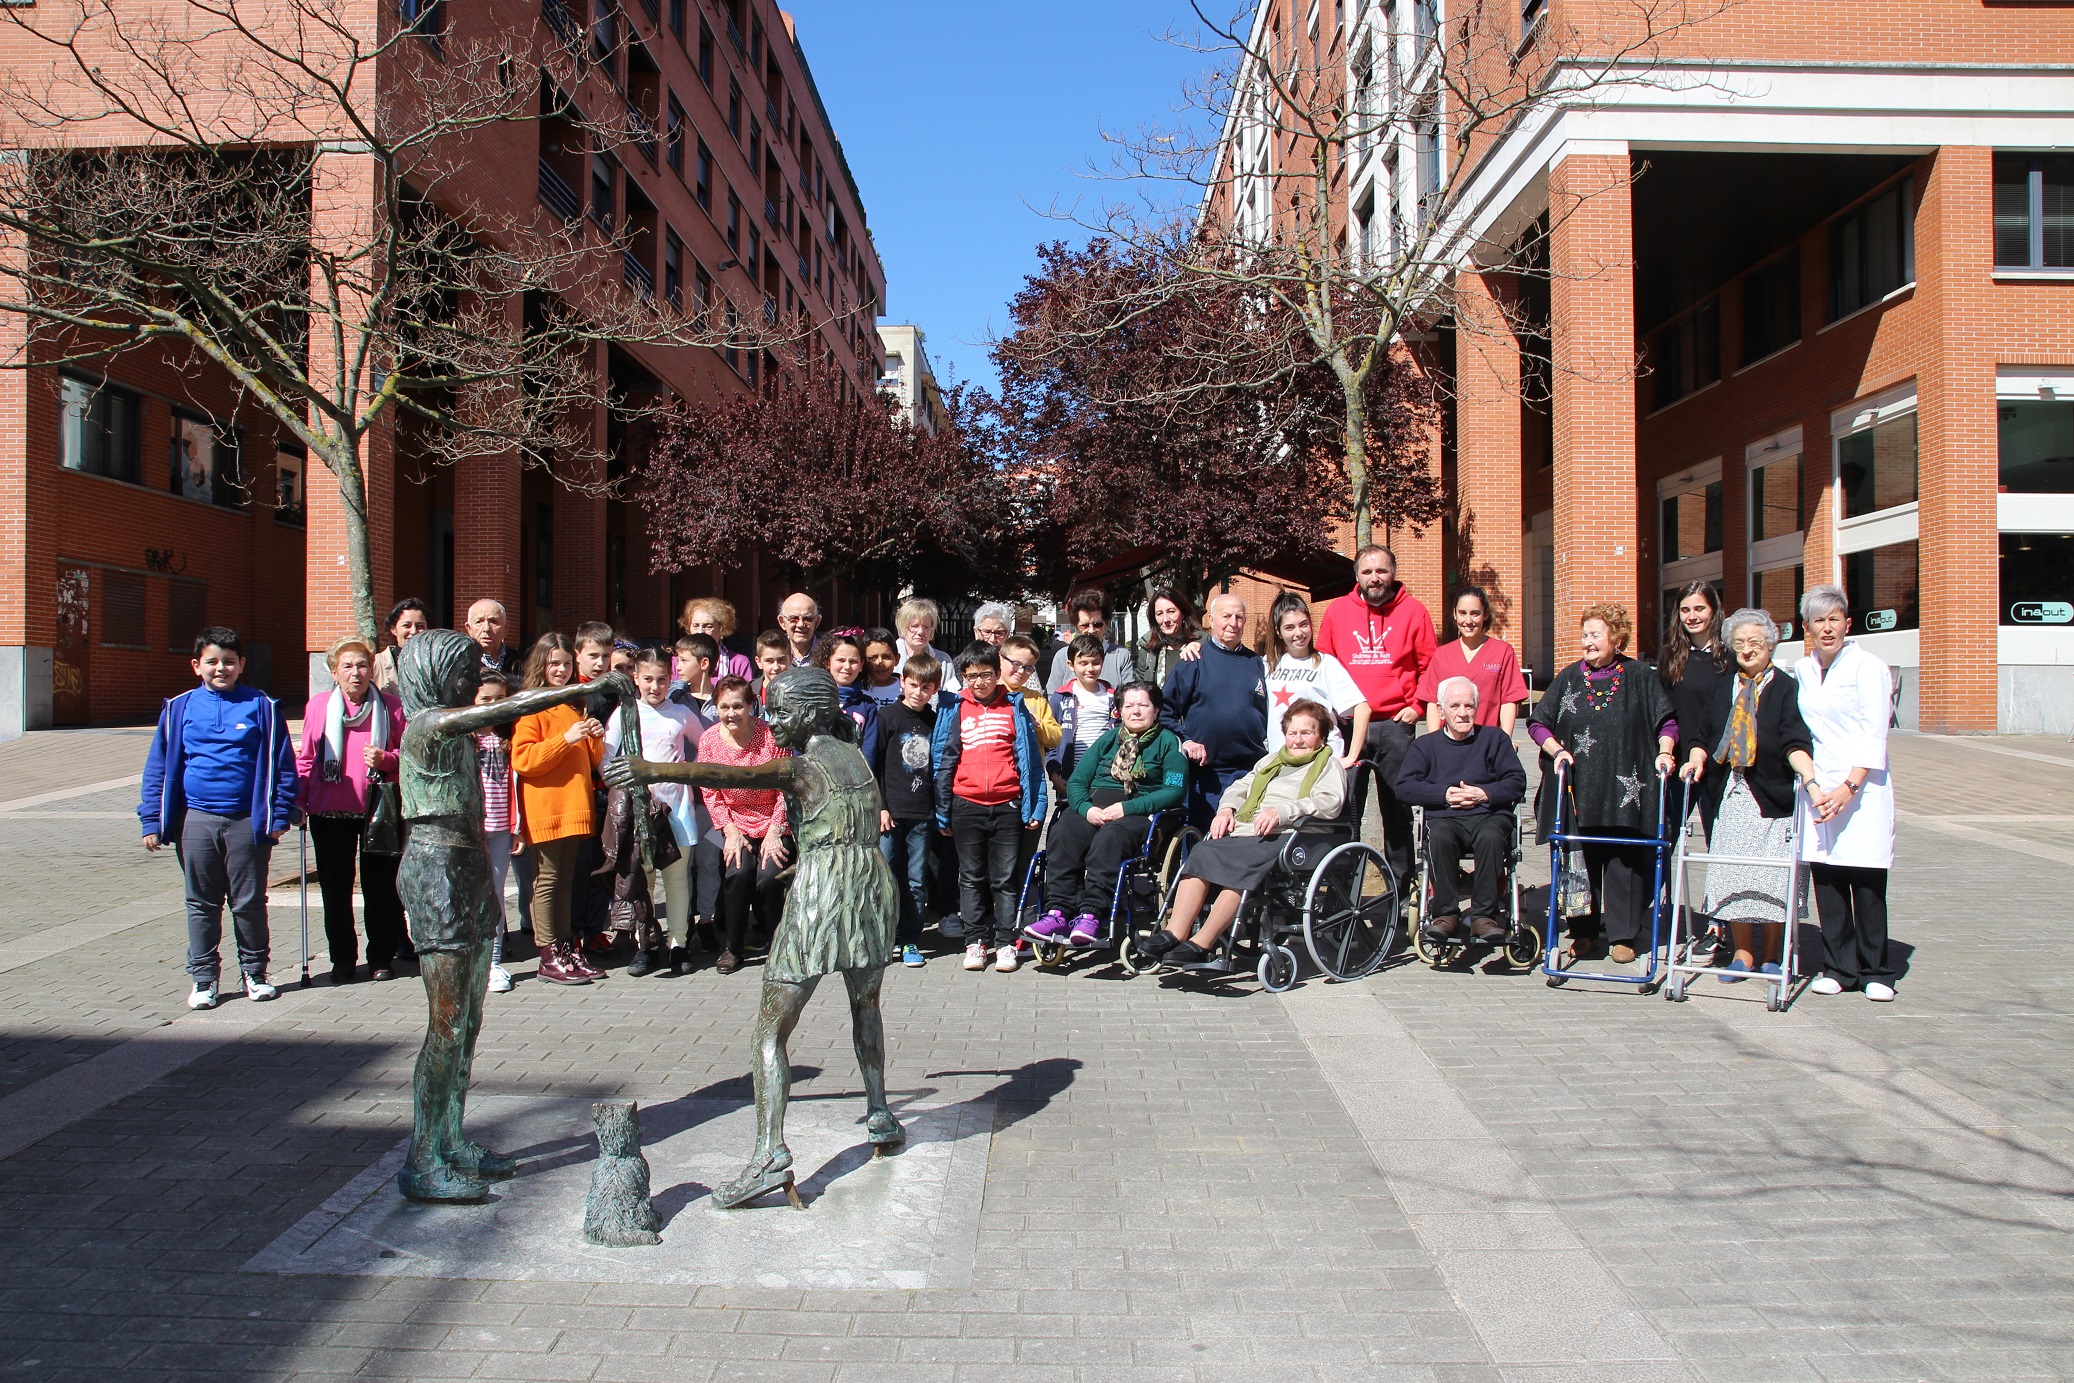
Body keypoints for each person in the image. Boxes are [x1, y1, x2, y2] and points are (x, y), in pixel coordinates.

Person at [601, 666, 903, 1210]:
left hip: (825, 895)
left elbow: (728, 774)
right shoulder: (852, 751)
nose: (771, 720)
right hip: (872, 889)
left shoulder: (804, 764)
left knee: (770, 1032)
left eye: (782, 710)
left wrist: (650, 767)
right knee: (866, 1004)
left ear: (811, 713)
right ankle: (879, 1113)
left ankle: (769, 1155)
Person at [388, 629, 634, 1203]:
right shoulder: (428, 724)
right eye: (465, 672)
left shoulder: (452, 728)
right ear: (433, 675)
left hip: (469, 867)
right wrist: (589, 687)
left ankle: (451, 1140)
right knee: (446, 1025)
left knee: (468, 1022)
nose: (475, 682)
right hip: (437, 874)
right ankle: (423, 1158)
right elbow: (510, 707)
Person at [139, 626, 300, 1010]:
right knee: (201, 903)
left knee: (248, 902)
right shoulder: (178, 708)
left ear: (242, 664)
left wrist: (281, 814)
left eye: (229, 662)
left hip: (248, 821)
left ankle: (255, 973)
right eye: (212, 662)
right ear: (197, 666)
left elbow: (284, 767)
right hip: (195, 819)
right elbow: (157, 768)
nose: (221, 668)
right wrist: (151, 820)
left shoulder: (263, 707)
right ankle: (204, 978)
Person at [1143, 701, 1346, 968]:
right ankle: (1175, 932)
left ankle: (1203, 942)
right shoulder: (1271, 760)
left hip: (1289, 835)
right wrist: (1226, 809)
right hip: (1247, 830)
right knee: (1203, 851)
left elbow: (1330, 802)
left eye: (1306, 733)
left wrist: (1282, 811)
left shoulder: (1329, 765)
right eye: (1293, 733)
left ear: (1320, 737)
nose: (1298, 740)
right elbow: (1241, 786)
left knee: (1239, 867)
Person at [1529, 604, 1679, 965]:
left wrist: (1665, 752)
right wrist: (1556, 750)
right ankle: (1583, 932)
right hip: (1578, 788)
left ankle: (1624, 935)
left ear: (1616, 637)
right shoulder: (1567, 678)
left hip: (1628, 788)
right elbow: (1538, 723)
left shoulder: (1639, 675)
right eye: (1585, 635)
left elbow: (1667, 722)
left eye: (1596, 635)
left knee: (1623, 860)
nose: (1588, 642)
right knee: (1579, 860)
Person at [1684, 608, 1817, 982]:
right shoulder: (1722, 687)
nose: (1746, 650)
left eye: (1754, 643)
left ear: (1770, 645)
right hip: (1733, 792)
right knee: (1735, 875)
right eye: (1739, 643)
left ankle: (1773, 953)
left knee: (1771, 879)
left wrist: (1809, 778)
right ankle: (1743, 954)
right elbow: (1702, 736)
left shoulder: (1786, 687)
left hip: (1772, 795)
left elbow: (1794, 738)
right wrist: (1695, 760)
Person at [1793, 584, 1899, 1002]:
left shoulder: (1868, 666)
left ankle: (1877, 970)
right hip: (1818, 788)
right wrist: (1818, 786)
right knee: (1829, 877)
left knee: (1867, 879)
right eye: (1819, 620)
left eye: (1834, 618)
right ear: (1807, 628)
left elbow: (1876, 732)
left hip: (1862, 788)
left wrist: (1850, 787)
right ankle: (1839, 967)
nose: (1828, 627)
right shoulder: (1801, 670)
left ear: (1848, 623)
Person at [1030, 681, 1187, 946]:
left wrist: (1126, 808)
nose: (1135, 711)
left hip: (1139, 811)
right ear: (1120, 711)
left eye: (1143, 705)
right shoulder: (1108, 740)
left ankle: (1091, 912)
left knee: (1110, 838)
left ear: (1156, 710)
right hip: (1095, 805)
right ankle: (1058, 910)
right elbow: (1078, 781)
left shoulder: (1168, 743)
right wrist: (1087, 809)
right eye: (1129, 705)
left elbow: (1173, 790)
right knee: (1064, 831)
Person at [1314, 546, 1434, 886]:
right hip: (1350, 726)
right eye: (1367, 572)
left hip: (1395, 725)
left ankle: (1399, 882)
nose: (1374, 578)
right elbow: (1324, 665)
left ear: (1392, 572)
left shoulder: (1414, 612)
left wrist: (1417, 707)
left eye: (1381, 570)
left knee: (1397, 808)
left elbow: (1430, 666)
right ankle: (1341, 881)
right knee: (1344, 805)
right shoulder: (1338, 611)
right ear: (1357, 576)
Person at [295, 635, 407, 984]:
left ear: (372, 669)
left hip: (378, 807)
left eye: (362, 665)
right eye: (347, 666)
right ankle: (342, 958)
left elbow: (411, 759)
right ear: (334, 671)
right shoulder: (317, 707)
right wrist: (297, 801)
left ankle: (381, 956)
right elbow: (307, 758)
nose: (355, 672)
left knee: (381, 888)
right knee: (334, 887)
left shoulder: (392, 706)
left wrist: (386, 759)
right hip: (329, 811)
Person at [933, 642, 1048, 974]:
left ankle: (1006, 943)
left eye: (985, 675)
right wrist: (943, 810)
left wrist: (1035, 806)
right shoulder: (955, 708)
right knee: (970, 877)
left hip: (1007, 805)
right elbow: (943, 760)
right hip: (965, 805)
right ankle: (975, 942)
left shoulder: (1014, 707)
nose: (979, 682)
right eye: (971, 676)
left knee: (1005, 879)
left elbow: (1030, 763)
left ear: (998, 674)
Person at [1396, 676, 1527, 945]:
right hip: (1445, 817)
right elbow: (1405, 787)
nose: (1463, 712)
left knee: (1492, 837)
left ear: (1477, 708)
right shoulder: (1425, 746)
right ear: (1441, 711)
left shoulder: (1495, 739)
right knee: (1440, 837)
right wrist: (1442, 794)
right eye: (1454, 706)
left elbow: (1517, 782)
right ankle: (1446, 915)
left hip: (1489, 816)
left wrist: (1485, 794)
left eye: (1469, 705)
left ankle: (1483, 917)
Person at [510, 633, 608, 985]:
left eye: (567, 664)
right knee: (547, 881)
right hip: (547, 807)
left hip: (575, 806)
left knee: (567, 879)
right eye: (554, 663)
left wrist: (593, 736)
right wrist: (564, 739)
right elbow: (524, 759)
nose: (562, 670)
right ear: (541, 665)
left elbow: (591, 761)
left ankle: (566, 949)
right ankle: (548, 954)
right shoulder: (531, 706)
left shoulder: (572, 705)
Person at [603, 649, 699, 978]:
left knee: (676, 881)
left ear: (670, 678)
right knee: (643, 880)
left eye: (661, 679)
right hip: (639, 810)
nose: (655, 687)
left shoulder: (682, 715)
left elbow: (707, 747)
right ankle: (646, 945)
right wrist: (627, 786)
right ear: (636, 679)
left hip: (676, 809)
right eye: (647, 679)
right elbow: (605, 761)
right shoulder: (623, 714)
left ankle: (678, 945)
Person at [696, 676, 791, 974]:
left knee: (769, 876)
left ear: (751, 705)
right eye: (724, 706)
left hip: (774, 820)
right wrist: (730, 832)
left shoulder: (772, 736)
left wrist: (775, 831)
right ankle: (733, 947)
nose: (731, 713)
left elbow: (786, 787)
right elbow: (710, 790)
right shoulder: (709, 740)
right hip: (734, 822)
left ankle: (779, 943)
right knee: (739, 872)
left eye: (738, 705)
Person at [1657, 580, 1731, 957]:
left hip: (1719, 765)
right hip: (1679, 765)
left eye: (1699, 609)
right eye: (1685, 610)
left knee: (1721, 841)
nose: (1692, 616)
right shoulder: (1673, 655)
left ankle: (1721, 924)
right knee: (1663, 838)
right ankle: (1655, 913)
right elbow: (1664, 711)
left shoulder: (1729, 657)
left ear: (1714, 611)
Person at [1161, 593, 1269, 830]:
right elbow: (1163, 712)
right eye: (1226, 615)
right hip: (1207, 776)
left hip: (1250, 773)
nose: (1233, 622)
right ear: (1211, 619)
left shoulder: (1257, 663)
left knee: (1243, 847)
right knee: (1203, 848)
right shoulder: (1195, 658)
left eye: (1239, 617)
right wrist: (1186, 741)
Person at [872, 654, 943, 967]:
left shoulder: (935, 720)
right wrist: (881, 807)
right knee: (886, 876)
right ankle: (883, 939)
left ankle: (911, 940)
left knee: (915, 880)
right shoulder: (886, 717)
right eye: (913, 685)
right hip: (891, 813)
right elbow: (872, 765)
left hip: (922, 814)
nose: (918, 692)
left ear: (935, 689)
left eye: (925, 687)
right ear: (902, 682)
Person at [1261, 590, 1369, 762]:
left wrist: (1351, 756)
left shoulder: (1326, 664)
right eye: (1290, 627)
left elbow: (1363, 708)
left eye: (1303, 624)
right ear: (1278, 632)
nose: (1299, 633)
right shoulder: (1267, 664)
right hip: (1281, 760)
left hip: (1321, 761)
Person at [471, 672, 522, 994]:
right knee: (468, 898)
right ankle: (469, 962)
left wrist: (517, 828)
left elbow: (517, 787)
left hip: (502, 829)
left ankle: (493, 962)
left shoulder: (509, 737)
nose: (491, 706)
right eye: (484, 700)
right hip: (470, 833)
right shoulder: (464, 739)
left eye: (498, 700)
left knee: (495, 897)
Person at [1418, 585, 1527, 736]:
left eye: (1475, 614)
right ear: (1455, 614)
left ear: (1486, 614)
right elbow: (1432, 701)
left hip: (1487, 742)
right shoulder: (1442, 655)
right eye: (1463, 613)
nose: (1468, 621)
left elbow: (1509, 700)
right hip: (1450, 743)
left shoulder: (1502, 652)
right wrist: (1435, 743)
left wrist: (1505, 740)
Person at [1048, 633, 1116, 779]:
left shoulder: (1114, 697)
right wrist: (1054, 774)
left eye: (1096, 662)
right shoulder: (1060, 697)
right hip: (1071, 775)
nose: (1090, 668)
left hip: (1106, 775)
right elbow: (1051, 742)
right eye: (1083, 663)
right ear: (1071, 665)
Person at [1043, 589, 1139, 693]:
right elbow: (1052, 695)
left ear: (1106, 624)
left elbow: (1129, 695)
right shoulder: (1062, 656)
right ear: (1076, 626)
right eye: (1085, 625)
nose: (1091, 630)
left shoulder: (1121, 656)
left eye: (1097, 624)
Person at [815, 629, 881, 766]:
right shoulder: (813, 701)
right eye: (840, 660)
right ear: (828, 662)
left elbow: (870, 752)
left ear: (862, 665)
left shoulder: (867, 706)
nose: (847, 666)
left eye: (853, 661)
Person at [1002, 634, 1062, 753]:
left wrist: (1036, 724)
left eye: (1028, 668)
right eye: (1016, 663)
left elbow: (1056, 737)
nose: (1021, 671)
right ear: (1000, 659)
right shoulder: (988, 694)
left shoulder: (1035, 699)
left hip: (1031, 769)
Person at [1134, 587, 1200, 690]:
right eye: (1159, 614)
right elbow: (1141, 690)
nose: (1166, 619)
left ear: (1183, 613)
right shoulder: (1147, 649)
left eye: (1171, 611)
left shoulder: (1202, 644)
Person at [679, 597, 756, 681]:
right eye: (695, 626)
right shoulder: (677, 663)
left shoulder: (738, 663)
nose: (700, 631)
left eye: (708, 626)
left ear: (722, 629)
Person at [895, 597, 961, 692]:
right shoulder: (889, 659)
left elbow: (950, 697)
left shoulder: (943, 661)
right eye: (914, 626)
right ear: (902, 627)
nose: (921, 632)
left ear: (932, 630)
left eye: (925, 627)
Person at [372, 597, 431, 694]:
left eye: (420, 626)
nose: (413, 631)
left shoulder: (433, 663)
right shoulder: (377, 664)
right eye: (406, 625)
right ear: (393, 629)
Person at [466, 599, 523, 677]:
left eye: (493, 621)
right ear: (469, 629)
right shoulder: (461, 663)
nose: (486, 629)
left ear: (506, 627)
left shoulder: (522, 662)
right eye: (479, 622)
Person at [860, 627, 905, 704]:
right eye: (873, 658)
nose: (880, 663)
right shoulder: (857, 691)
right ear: (862, 662)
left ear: (897, 659)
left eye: (886, 657)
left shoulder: (906, 689)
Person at [778, 592, 822, 666]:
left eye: (807, 619)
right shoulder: (772, 655)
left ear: (817, 622)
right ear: (782, 622)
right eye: (794, 618)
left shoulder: (830, 654)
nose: (800, 624)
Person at [751, 629, 791, 707]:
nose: (776, 667)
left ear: (791, 659)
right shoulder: (750, 693)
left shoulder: (799, 693)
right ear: (759, 662)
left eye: (781, 660)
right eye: (769, 661)